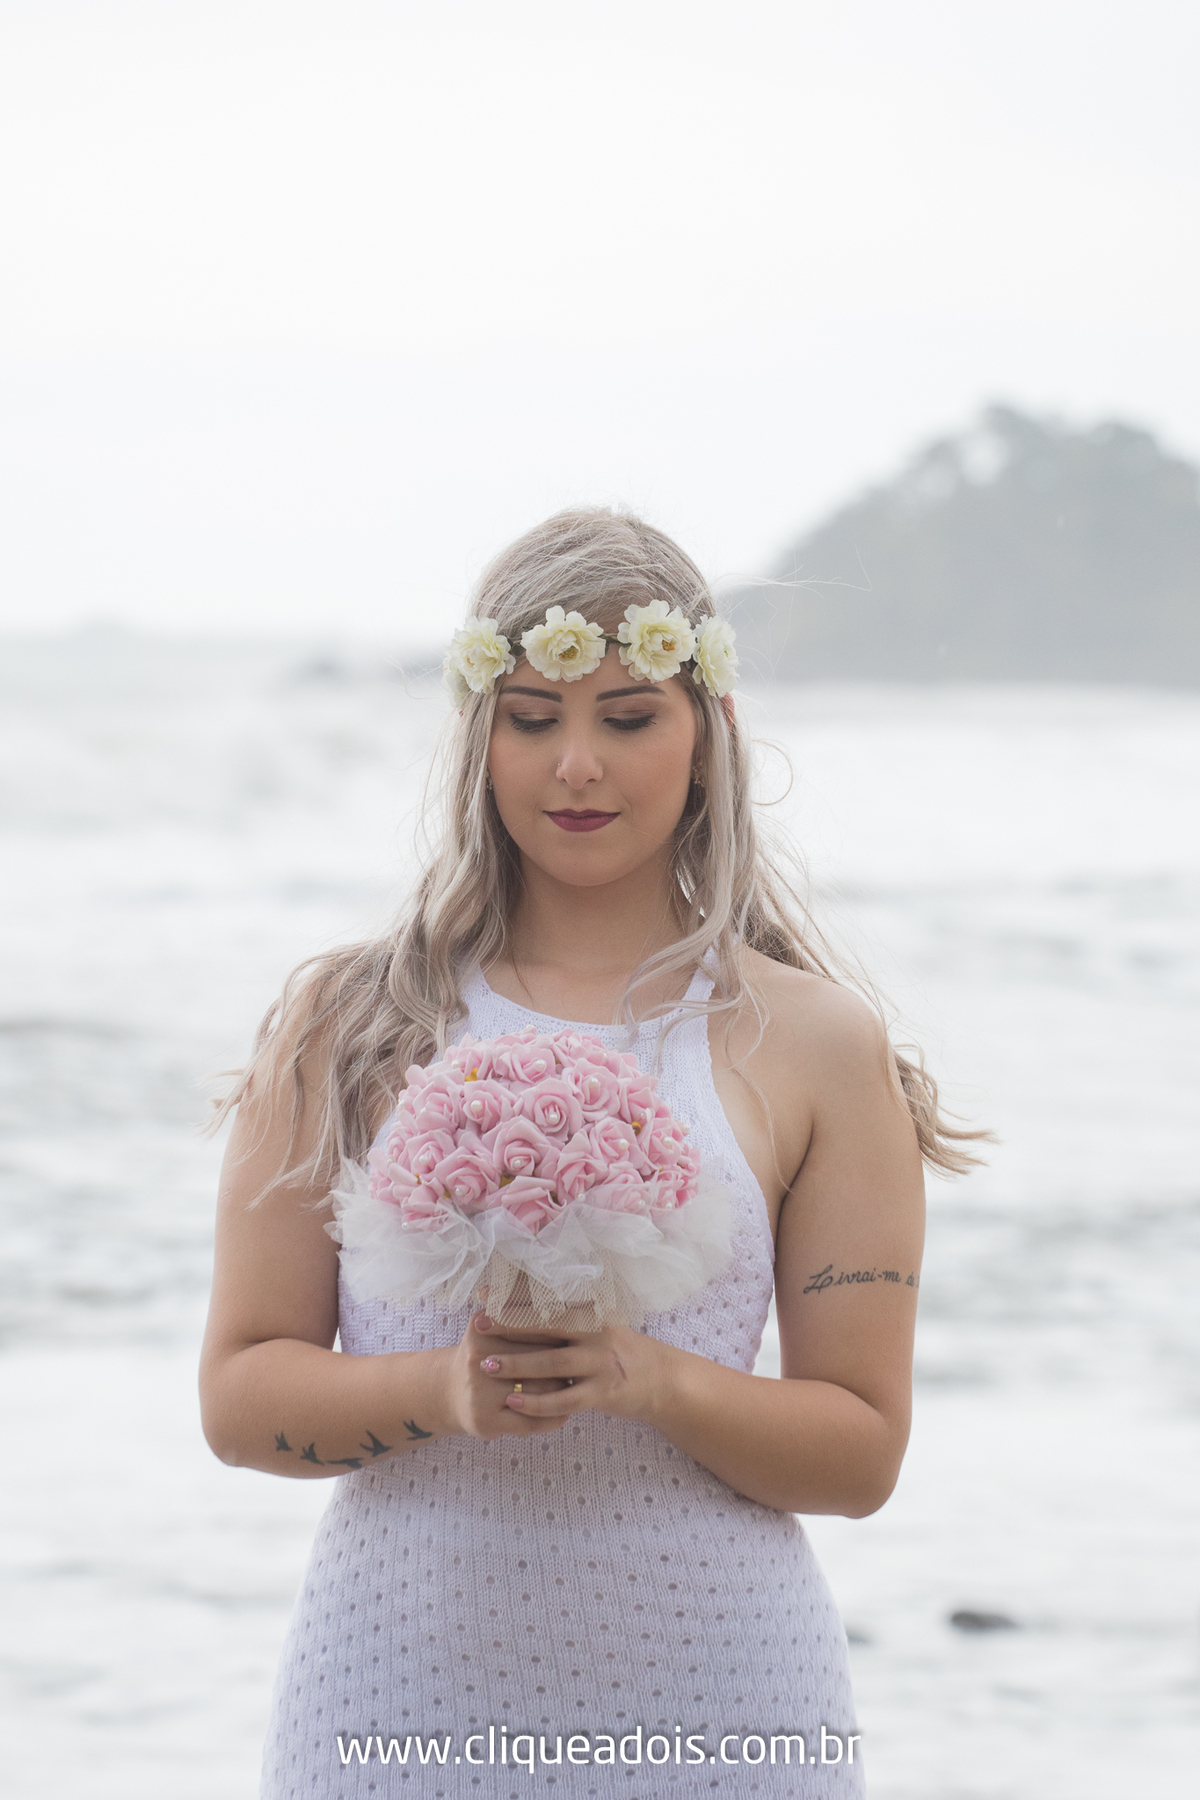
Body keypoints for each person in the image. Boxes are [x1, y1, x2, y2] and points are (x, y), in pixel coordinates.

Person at [199, 509, 982, 1797]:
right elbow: (240, 1398)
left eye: (627, 718)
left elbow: (860, 1453)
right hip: (399, 1695)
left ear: (707, 734)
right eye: (530, 717)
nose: (576, 766)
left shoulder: (816, 1042)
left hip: (721, 1706)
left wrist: (646, 1381)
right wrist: (442, 1395)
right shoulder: (348, 1023)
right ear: (478, 733)